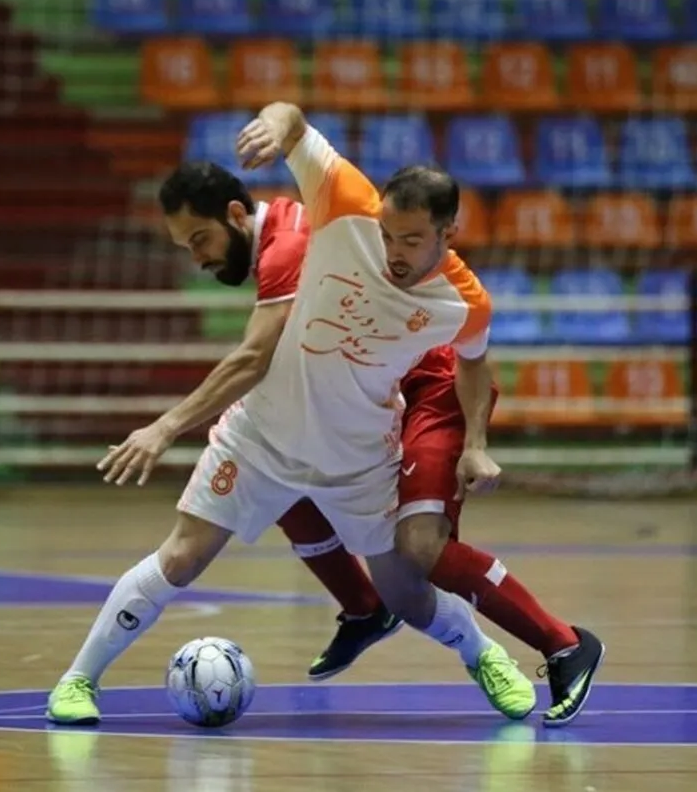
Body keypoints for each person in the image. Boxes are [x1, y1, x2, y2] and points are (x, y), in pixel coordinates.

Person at [46, 103, 533, 726]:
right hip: (262, 441)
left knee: (408, 594)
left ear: (235, 215)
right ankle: (77, 680)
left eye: (199, 240)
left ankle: (485, 654)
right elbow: (293, 119)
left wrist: (164, 428)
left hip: (357, 452)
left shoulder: (299, 245)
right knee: (181, 557)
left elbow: (253, 358)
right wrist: (278, 125)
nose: (197, 257)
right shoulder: (305, 225)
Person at [144, 161, 603, 723]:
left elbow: (475, 361)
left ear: (446, 234)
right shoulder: (342, 237)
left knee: (420, 548)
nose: (393, 250)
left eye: (410, 238)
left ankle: (561, 643)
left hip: (430, 389)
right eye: (388, 235)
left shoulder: (443, 289)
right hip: (374, 394)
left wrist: (475, 443)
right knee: (284, 472)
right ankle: (364, 609)